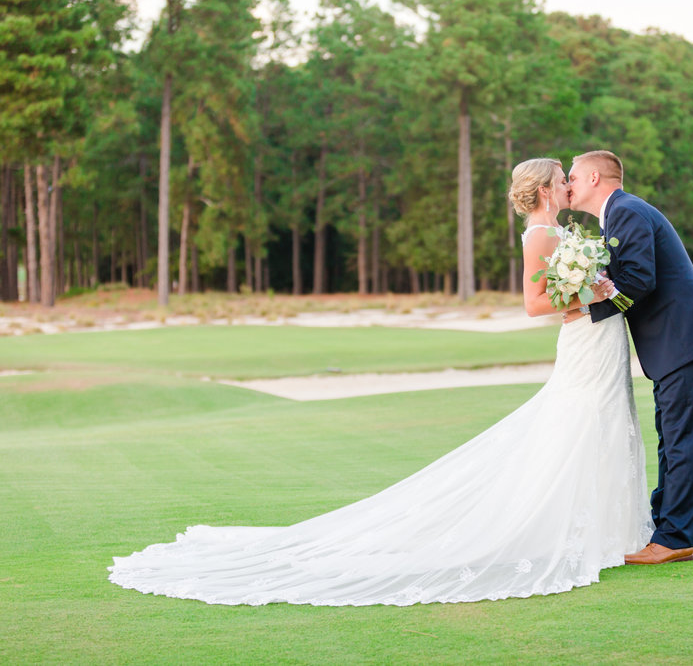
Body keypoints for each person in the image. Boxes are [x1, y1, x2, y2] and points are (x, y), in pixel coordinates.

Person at [107, 157, 653, 607]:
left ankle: (611, 529)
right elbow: (537, 303)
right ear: (542, 190)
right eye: (561, 179)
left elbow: (571, 289)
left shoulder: (563, 232)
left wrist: (594, 283)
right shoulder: (539, 235)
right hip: (584, 339)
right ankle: (565, 527)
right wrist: (592, 292)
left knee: (606, 420)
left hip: (599, 341)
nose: (567, 184)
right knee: (577, 423)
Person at [568, 150, 693, 565]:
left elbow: (640, 279)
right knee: (672, 438)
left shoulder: (625, 211)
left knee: (682, 441)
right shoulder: (619, 214)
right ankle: (663, 528)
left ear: (594, 177)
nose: (568, 184)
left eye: (571, 176)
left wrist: (589, 310)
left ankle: (676, 538)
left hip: (685, 337)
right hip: (676, 342)